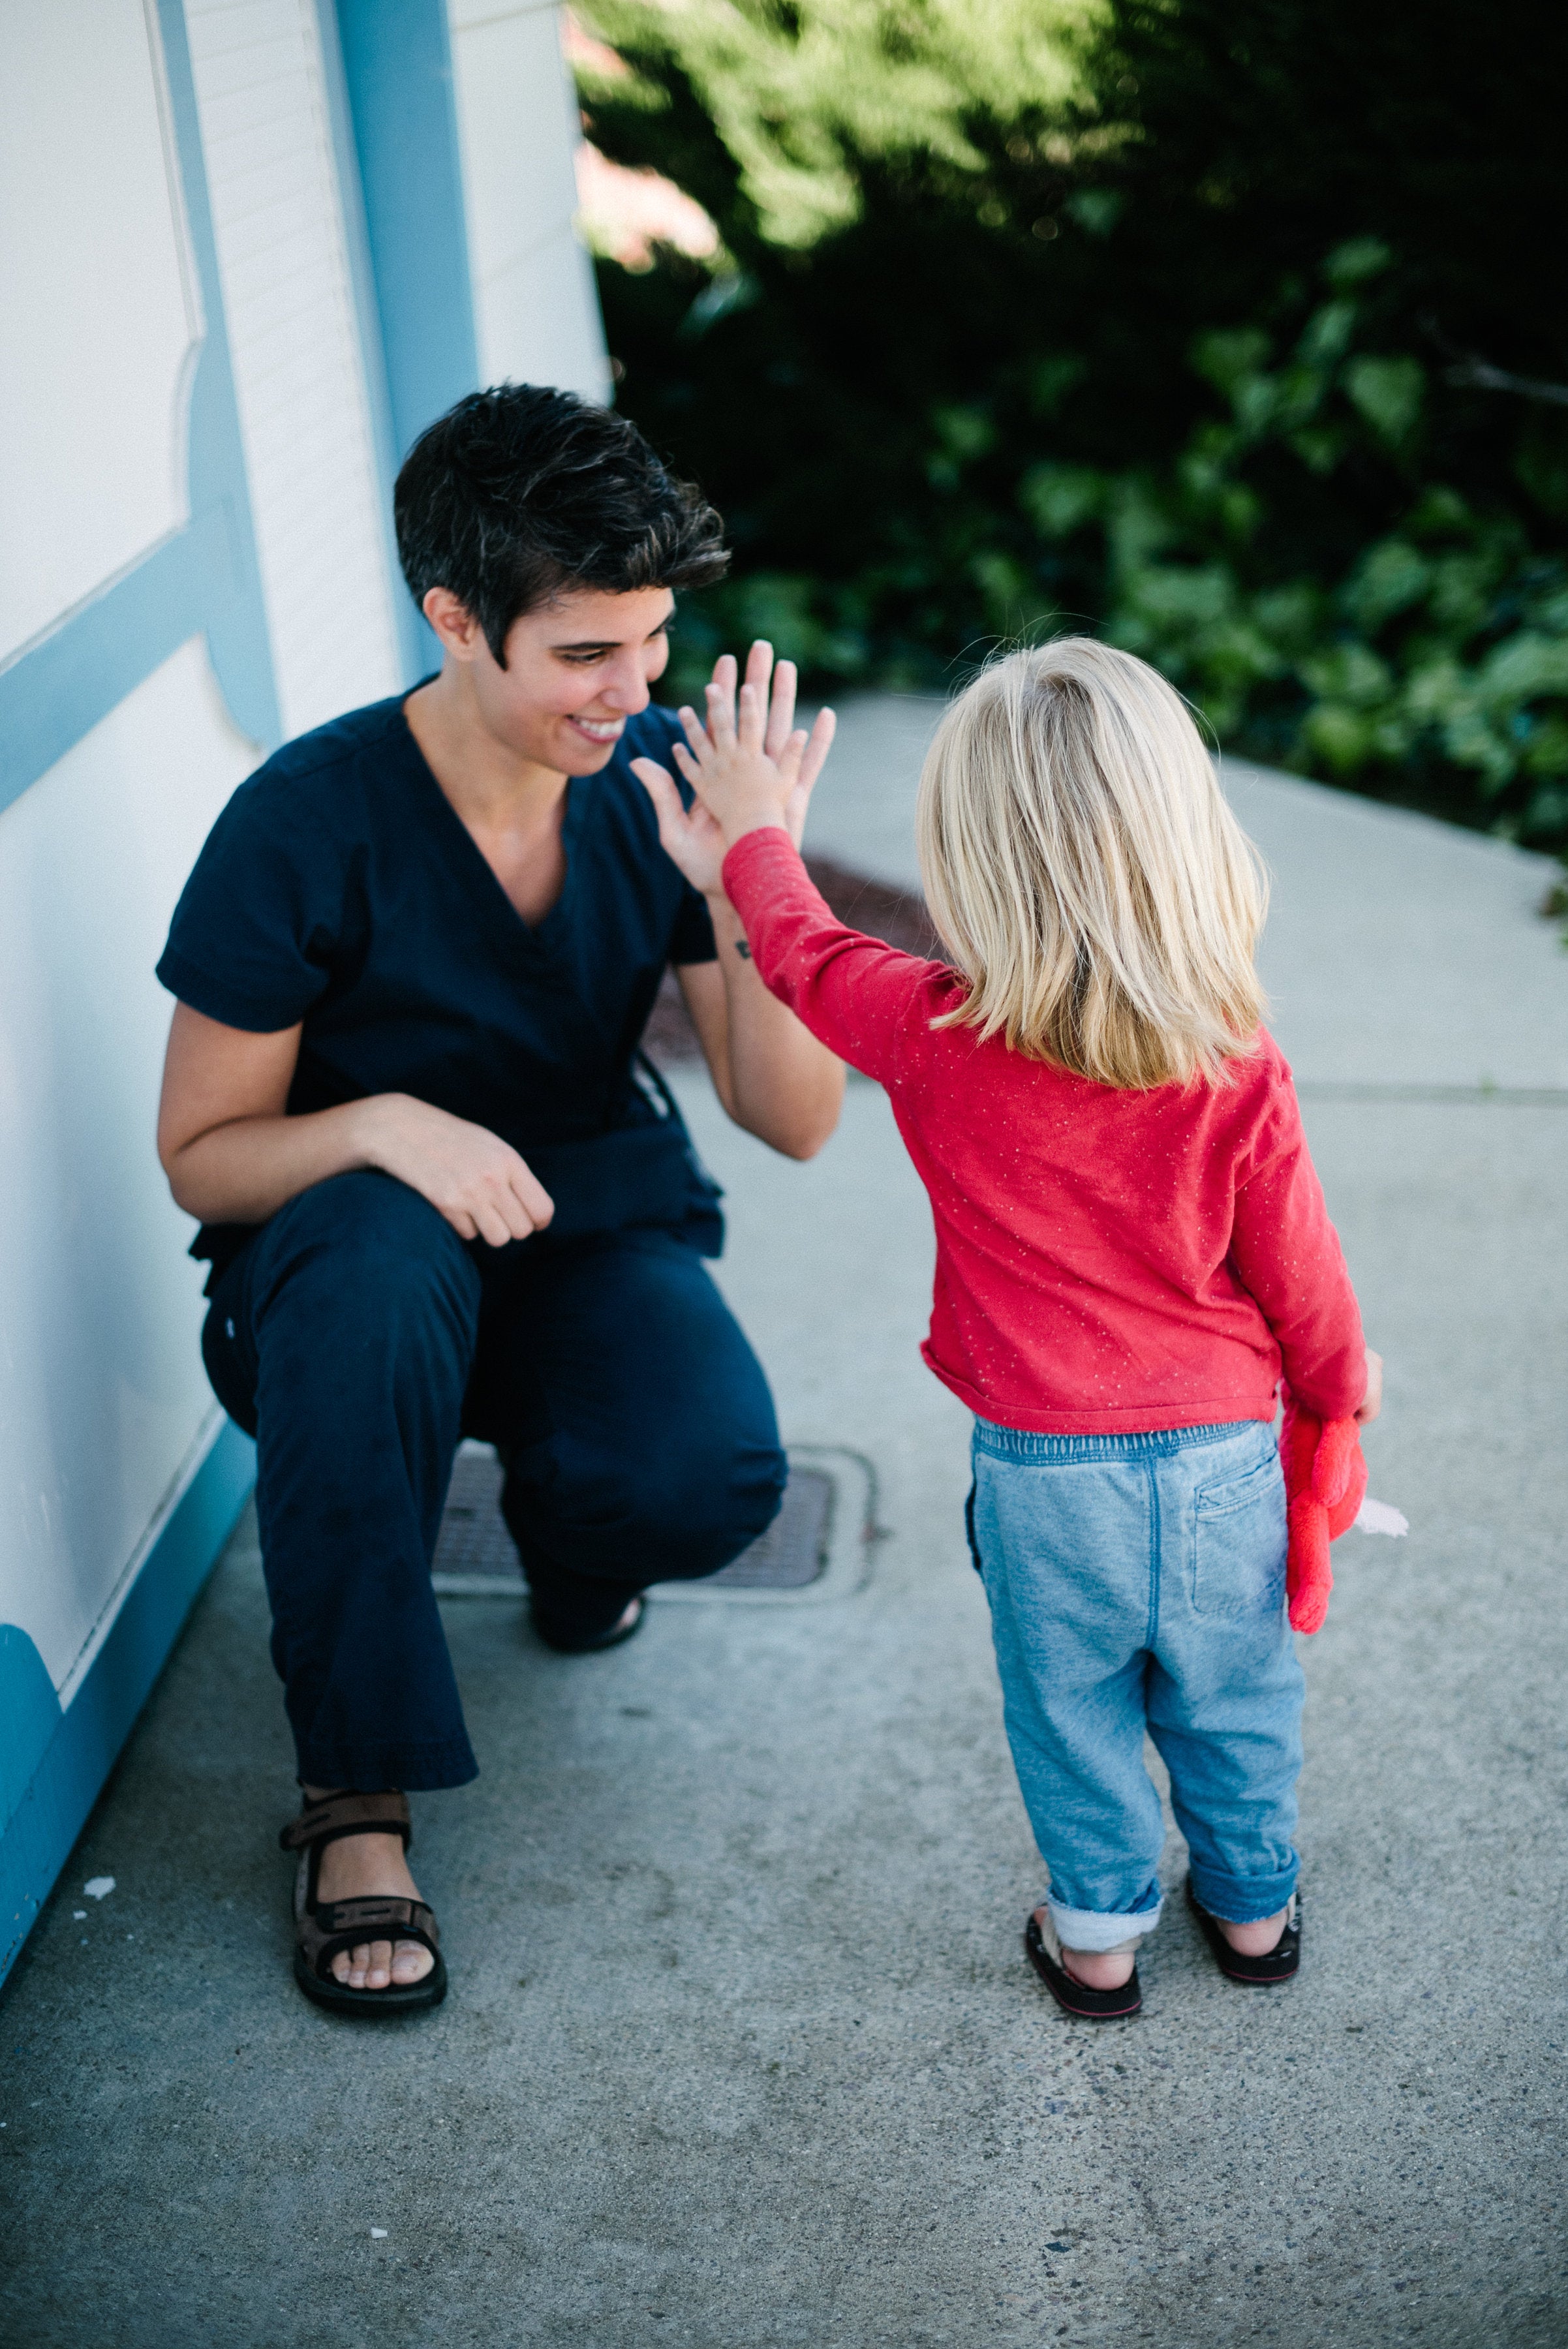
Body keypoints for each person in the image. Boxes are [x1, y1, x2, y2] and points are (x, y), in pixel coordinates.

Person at [155, 386, 843, 2014]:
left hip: (583, 1228)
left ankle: (564, 1522)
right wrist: (383, 1122)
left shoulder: (660, 778)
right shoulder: (303, 824)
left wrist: (757, 880)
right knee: (375, 1268)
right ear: (454, 621)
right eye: (586, 655)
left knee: (702, 1479)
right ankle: (354, 1803)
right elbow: (201, 1153)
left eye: (655, 640)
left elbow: (793, 1121)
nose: (636, 692)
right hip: (346, 1286)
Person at [636, 637, 1382, 2022]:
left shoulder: (927, 1030)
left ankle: (1096, 1938)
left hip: (1045, 1473)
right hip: (1220, 1457)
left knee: (1071, 1709)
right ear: (1182, 842)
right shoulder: (1230, 1058)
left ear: (968, 863)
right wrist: (1338, 1396)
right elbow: (1304, 1277)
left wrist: (752, 839)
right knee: (1231, 1693)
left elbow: (798, 955)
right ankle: (1251, 1906)